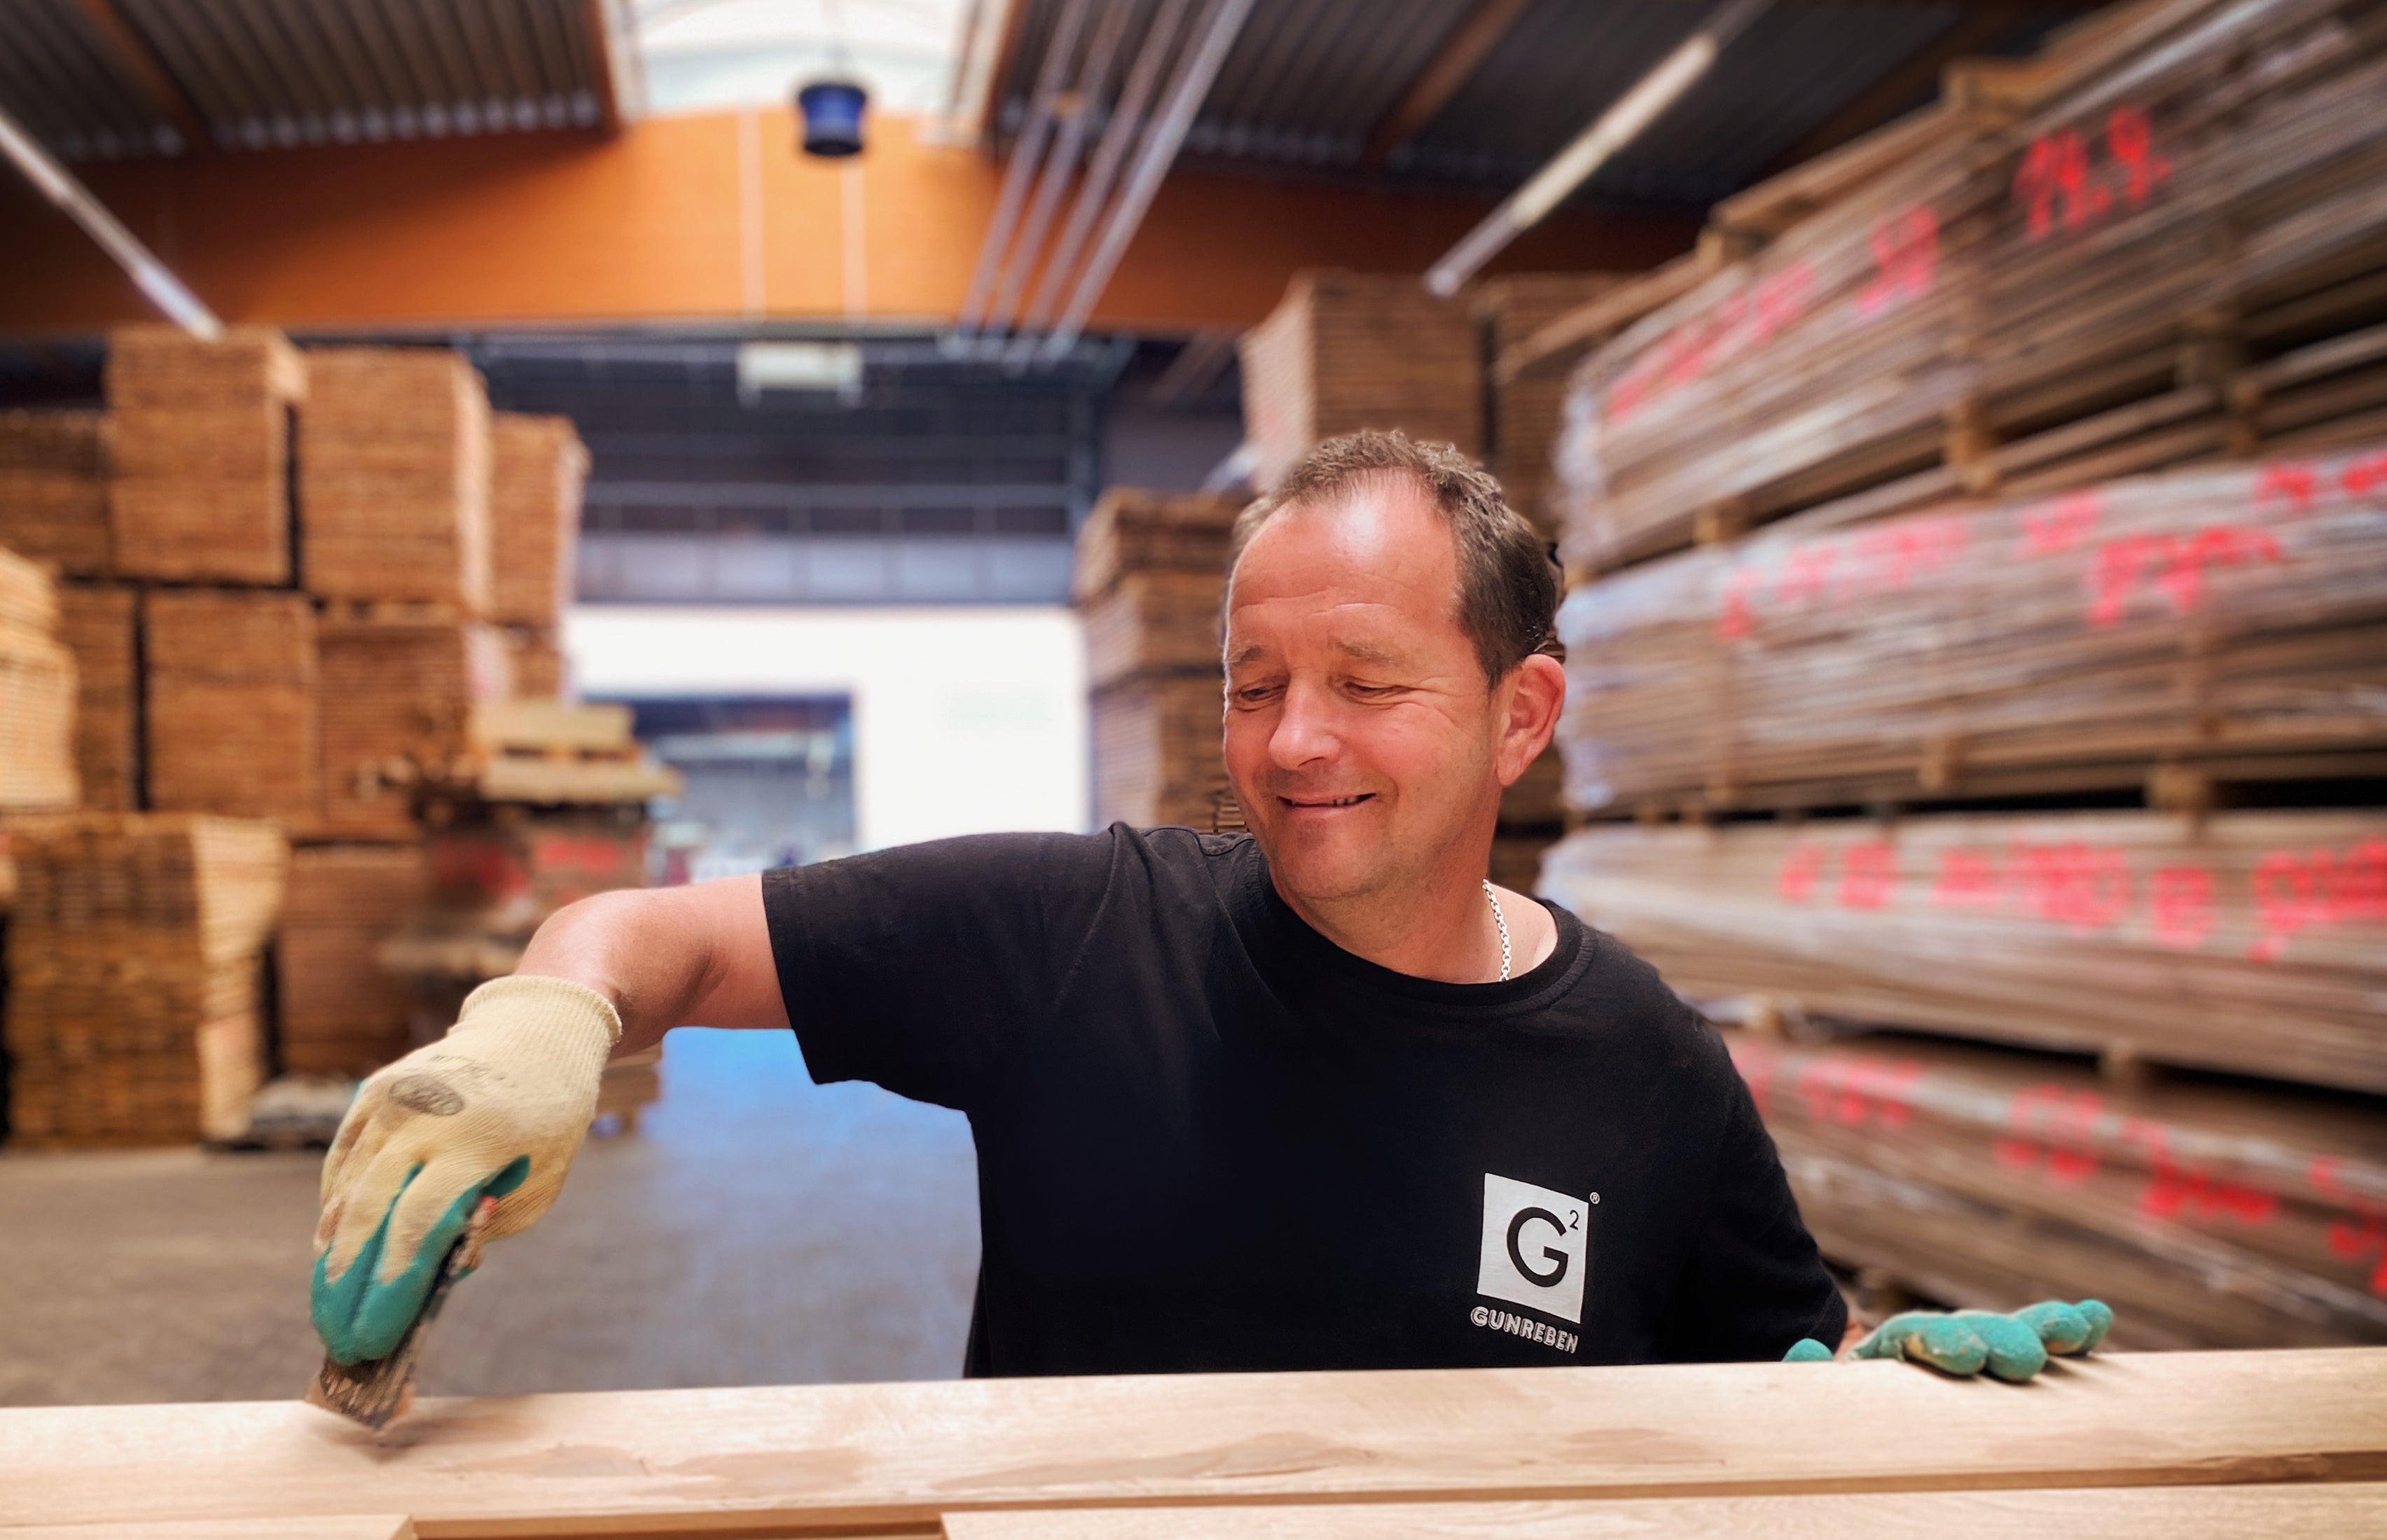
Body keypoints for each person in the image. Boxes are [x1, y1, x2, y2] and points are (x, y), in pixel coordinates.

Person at [310, 431, 2108, 1385]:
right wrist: (544, 1023)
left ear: (1524, 714)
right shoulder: (1075, 940)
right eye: (1254, 683)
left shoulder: (1641, 1061)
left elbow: (1781, 1360)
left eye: (1366, 680)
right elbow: (664, 934)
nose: (1293, 741)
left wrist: (1896, 1377)